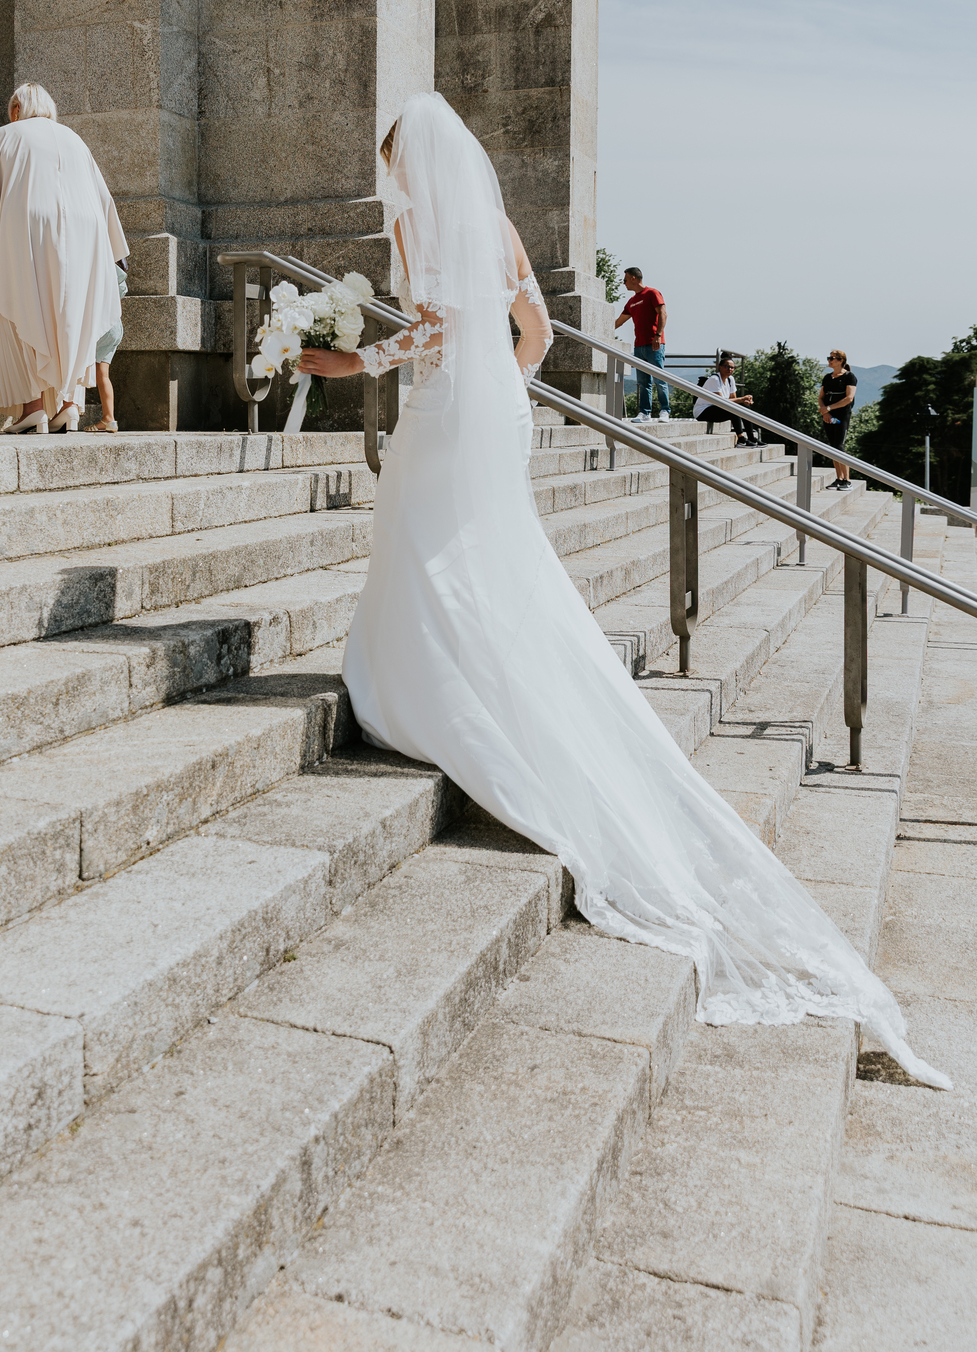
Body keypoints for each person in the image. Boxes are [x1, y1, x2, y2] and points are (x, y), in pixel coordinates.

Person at [297, 92, 947, 1089]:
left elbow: (430, 330)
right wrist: (502, 388)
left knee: (426, 542)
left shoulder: (415, 222)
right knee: (484, 555)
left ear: (407, 166)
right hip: (497, 412)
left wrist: (352, 361)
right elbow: (536, 332)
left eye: (396, 168)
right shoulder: (497, 225)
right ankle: (467, 672)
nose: (398, 184)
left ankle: (422, 686)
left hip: (448, 409)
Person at [0, 83, 128, 433]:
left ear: (16, 109)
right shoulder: (74, 139)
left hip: (29, 221)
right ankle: (69, 405)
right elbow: (103, 197)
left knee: (25, 305)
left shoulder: (6, 134)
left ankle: (34, 408)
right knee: (73, 313)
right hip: (87, 227)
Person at [615, 266, 669, 421]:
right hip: (639, 346)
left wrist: (658, 335)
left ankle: (665, 411)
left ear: (633, 278)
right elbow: (619, 322)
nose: (623, 283)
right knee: (643, 381)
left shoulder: (652, 293)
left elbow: (663, 313)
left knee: (659, 378)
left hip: (654, 344)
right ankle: (645, 413)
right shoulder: (631, 301)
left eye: (625, 279)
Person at [87, 261, 129, 432]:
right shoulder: (120, 276)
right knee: (103, 374)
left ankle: (69, 407)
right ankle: (108, 418)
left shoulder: (102, 268)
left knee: (81, 364)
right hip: (116, 326)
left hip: (103, 325)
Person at [693, 354, 758, 447]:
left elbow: (733, 399)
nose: (729, 369)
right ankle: (741, 438)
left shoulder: (730, 379)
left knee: (744, 406)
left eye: (732, 367)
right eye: (727, 367)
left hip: (717, 409)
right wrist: (742, 399)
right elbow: (721, 402)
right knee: (734, 409)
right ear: (720, 367)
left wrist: (744, 401)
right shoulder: (714, 379)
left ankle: (751, 437)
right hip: (703, 411)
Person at [819, 350, 857, 490]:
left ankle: (847, 480)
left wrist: (829, 408)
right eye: (828, 358)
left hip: (841, 416)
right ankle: (839, 478)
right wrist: (825, 412)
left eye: (832, 358)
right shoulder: (827, 378)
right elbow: (821, 397)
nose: (829, 360)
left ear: (841, 361)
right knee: (833, 446)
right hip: (829, 416)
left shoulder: (849, 377)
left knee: (839, 445)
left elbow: (849, 398)